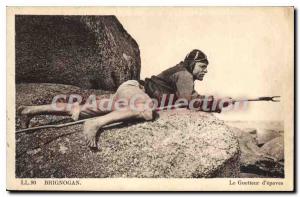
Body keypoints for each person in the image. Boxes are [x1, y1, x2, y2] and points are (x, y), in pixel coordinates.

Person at [18, 49, 231, 149]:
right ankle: (95, 124)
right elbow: (190, 100)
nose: (205, 71)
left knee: (80, 109)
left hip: (128, 92)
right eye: (203, 66)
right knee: (146, 110)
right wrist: (217, 103)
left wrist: (215, 103)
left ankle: (29, 110)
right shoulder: (184, 74)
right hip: (135, 92)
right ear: (192, 64)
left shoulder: (182, 73)